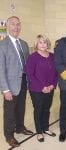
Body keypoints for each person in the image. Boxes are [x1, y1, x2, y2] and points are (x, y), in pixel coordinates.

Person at [0, 16, 33, 147]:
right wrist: (5, 89)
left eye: (18, 24)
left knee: (21, 108)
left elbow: (27, 65)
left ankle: (20, 127)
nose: (16, 27)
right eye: (13, 24)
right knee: (9, 112)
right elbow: (0, 69)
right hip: (10, 85)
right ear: (7, 26)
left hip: (23, 82)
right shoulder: (2, 45)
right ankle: (9, 135)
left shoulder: (24, 44)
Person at [26, 34, 58, 142]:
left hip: (50, 88)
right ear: (36, 44)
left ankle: (46, 128)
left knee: (46, 109)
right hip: (36, 89)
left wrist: (53, 85)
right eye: (40, 42)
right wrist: (42, 87)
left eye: (45, 42)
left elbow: (56, 73)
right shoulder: (32, 57)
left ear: (48, 44)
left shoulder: (53, 56)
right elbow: (30, 75)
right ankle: (39, 132)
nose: (43, 44)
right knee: (39, 109)